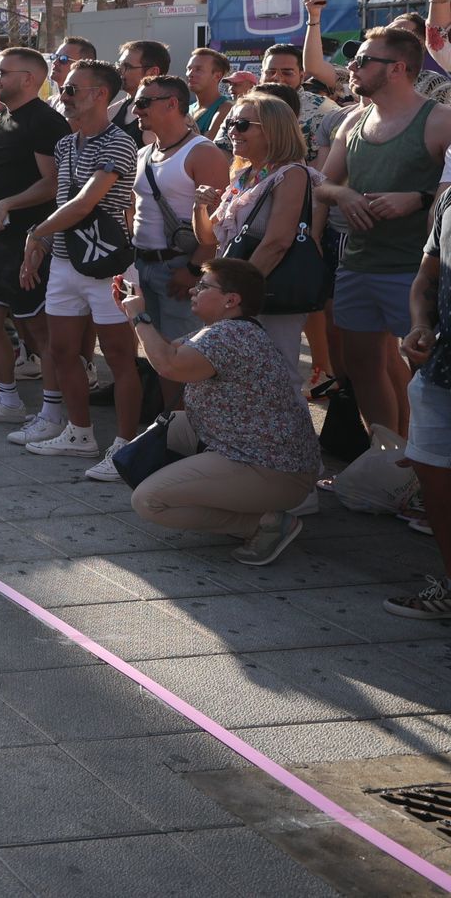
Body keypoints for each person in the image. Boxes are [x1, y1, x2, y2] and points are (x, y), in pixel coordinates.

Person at [123, 259, 320, 566]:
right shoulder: (227, 330)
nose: (193, 290)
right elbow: (167, 352)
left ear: (231, 299)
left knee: (148, 501)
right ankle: (223, 496)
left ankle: (264, 524)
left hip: (271, 470)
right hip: (254, 452)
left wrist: (139, 316)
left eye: (203, 286)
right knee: (160, 435)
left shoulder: (227, 336)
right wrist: (134, 314)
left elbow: (169, 366)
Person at [318, 26, 451, 444]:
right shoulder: (353, 120)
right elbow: (322, 184)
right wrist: (345, 196)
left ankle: (428, 464)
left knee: (427, 372)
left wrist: (418, 196)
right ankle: (389, 460)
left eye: (362, 61)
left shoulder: (440, 120)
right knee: (362, 367)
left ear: (397, 68)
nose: (351, 67)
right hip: (358, 264)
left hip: (416, 271)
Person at [18, 60, 142, 463]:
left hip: (108, 264)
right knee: (62, 349)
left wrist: (36, 234)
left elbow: (86, 202)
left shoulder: (120, 142)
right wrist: (41, 240)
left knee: (121, 356)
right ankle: (80, 434)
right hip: (66, 261)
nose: (64, 97)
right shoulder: (66, 144)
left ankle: (124, 445)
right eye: (64, 90)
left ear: (100, 94)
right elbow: (63, 203)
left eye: (72, 90)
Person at [0, 48, 68, 427]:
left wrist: (7, 204)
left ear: (28, 79)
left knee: (37, 331)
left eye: (3, 72)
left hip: (30, 240)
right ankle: (7, 401)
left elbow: (53, 183)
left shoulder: (45, 121)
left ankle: (52, 413)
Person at [127, 74, 229, 408]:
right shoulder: (145, 153)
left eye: (143, 102)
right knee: (160, 356)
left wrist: (194, 269)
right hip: (145, 267)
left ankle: (188, 434)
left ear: (172, 104)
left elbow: (216, 223)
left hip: (180, 271)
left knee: (185, 358)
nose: (136, 109)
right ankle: (171, 427)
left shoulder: (203, 153)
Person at [203, 93, 318, 381]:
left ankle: (289, 428)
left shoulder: (291, 174)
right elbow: (208, 236)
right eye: (231, 122)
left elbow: (277, 242)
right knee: (240, 376)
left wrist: (239, 295)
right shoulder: (243, 174)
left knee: (277, 376)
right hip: (236, 292)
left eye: (242, 124)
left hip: (266, 294)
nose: (232, 131)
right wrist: (199, 206)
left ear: (273, 130)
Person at [396, 184, 451, 618]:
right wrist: (419, 325)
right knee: (434, 477)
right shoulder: (450, 200)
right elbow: (426, 278)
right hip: (440, 371)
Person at [111, 39, 170, 137]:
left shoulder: (166, 116)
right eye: (119, 65)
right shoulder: (112, 111)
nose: (119, 71)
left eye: (127, 66)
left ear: (153, 73)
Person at [186, 47, 235, 143]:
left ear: (217, 76)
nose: (190, 74)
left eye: (198, 69)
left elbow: (206, 146)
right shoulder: (187, 109)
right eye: (189, 68)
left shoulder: (226, 108)